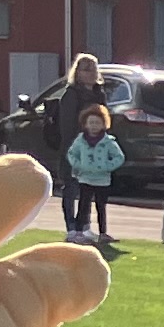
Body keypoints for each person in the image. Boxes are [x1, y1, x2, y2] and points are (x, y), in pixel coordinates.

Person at [61, 102, 126, 249]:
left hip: (102, 180)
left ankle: (103, 233)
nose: (94, 126)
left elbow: (119, 157)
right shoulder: (80, 140)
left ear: (104, 124)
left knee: (101, 207)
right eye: (91, 122)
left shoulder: (108, 141)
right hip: (85, 178)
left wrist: (107, 167)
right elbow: (72, 154)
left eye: (97, 123)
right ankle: (78, 232)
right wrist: (78, 165)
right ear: (85, 124)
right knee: (83, 206)